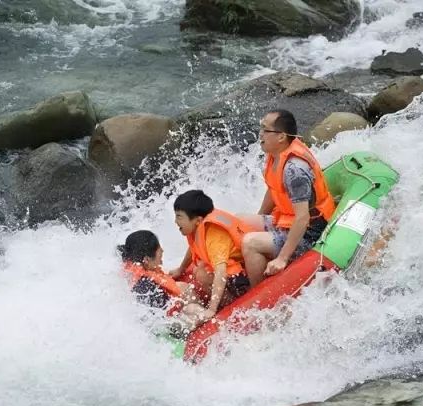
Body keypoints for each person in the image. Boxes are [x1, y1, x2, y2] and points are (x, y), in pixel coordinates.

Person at [241, 109, 336, 285]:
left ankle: (257, 294)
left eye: (265, 130)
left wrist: (282, 259)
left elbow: (302, 218)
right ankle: (247, 270)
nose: (260, 134)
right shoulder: (275, 154)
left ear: (281, 137)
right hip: (287, 220)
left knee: (250, 242)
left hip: (309, 232)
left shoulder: (295, 170)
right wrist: (260, 217)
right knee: (239, 222)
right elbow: (274, 188)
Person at [170, 190, 253, 322]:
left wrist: (212, 309)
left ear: (197, 220)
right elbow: (194, 247)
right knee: (200, 270)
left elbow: (221, 272)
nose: (175, 221)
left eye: (179, 217)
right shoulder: (196, 229)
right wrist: (181, 269)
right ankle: (225, 302)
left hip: (242, 272)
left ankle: (232, 304)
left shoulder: (214, 234)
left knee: (201, 273)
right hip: (236, 268)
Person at [118, 230, 204, 322]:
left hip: (152, 315)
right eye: (159, 248)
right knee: (193, 306)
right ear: (146, 259)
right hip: (165, 326)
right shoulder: (146, 287)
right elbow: (163, 316)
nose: (162, 250)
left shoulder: (132, 264)